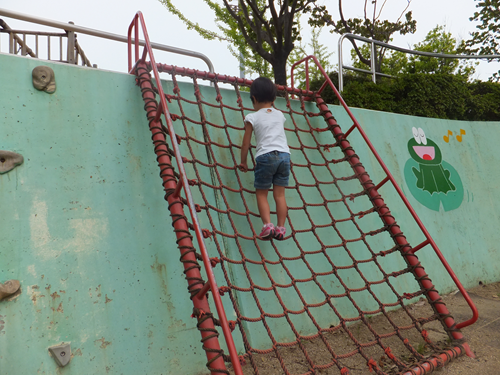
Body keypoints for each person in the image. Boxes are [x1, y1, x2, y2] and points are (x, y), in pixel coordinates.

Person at [238, 77, 290, 240]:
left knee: (262, 194)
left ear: (253, 99)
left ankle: (268, 225)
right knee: (280, 195)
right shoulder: (280, 115)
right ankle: (281, 228)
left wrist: (244, 161)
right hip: (284, 156)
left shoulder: (252, 117)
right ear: (274, 98)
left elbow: (246, 143)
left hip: (265, 157)